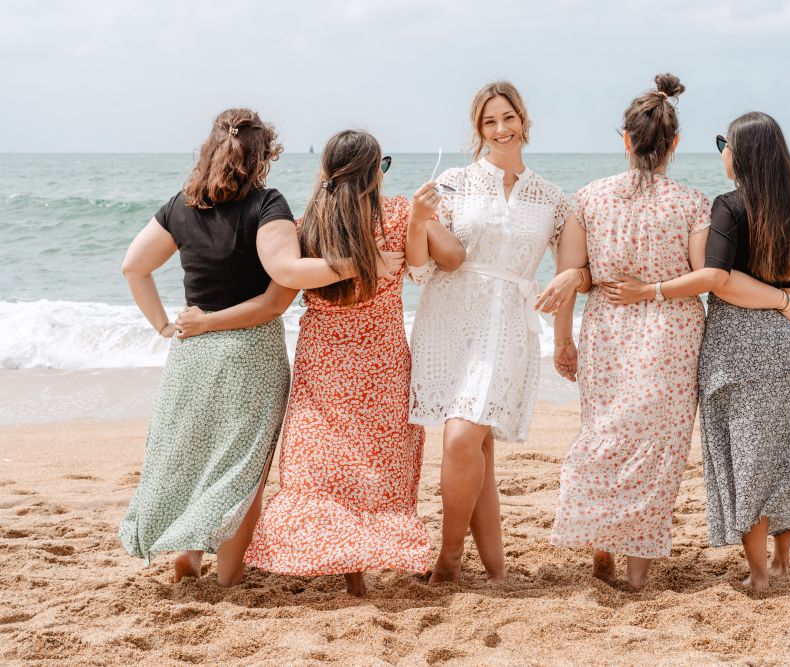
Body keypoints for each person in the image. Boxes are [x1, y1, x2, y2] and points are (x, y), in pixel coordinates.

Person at [119, 109, 404, 587]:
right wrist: (361, 263)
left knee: (192, 457)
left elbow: (133, 267)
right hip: (248, 353)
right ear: (262, 158)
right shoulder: (267, 205)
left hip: (191, 353)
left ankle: (186, 563)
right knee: (243, 472)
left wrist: (166, 325)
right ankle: (230, 579)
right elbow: (283, 284)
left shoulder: (181, 205)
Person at [620, 111, 790, 592]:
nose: (721, 152)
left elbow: (717, 280)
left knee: (747, 463)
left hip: (735, 349)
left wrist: (649, 290)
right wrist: (783, 304)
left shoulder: (727, 206)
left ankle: (757, 577)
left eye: (723, 143)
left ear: (742, 153)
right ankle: (782, 563)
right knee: (786, 456)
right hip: (783, 344)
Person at [240, 130, 464, 596]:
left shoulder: (307, 225)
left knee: (323, 467)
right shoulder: (400, 212)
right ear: (373, 172)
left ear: (327, 172)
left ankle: (349, 570)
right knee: (377, 466)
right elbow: (453, 257)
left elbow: (277, 290)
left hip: (323, 361)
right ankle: (367, 561)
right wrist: (424, 218)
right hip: (382, 359)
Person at [407, 81, 587, 584]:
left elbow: (568, 276)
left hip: (509, 322)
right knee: (475, 443)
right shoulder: (454, 182)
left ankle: (447, 561)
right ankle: (495, 568)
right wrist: (418, 220)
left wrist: (563, 339)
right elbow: (421, 269)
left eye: (507, 118)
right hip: (449, 316)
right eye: (490, 122)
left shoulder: (553, 199)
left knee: (463, 436)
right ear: (478, 130)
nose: (501, 129)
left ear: (524, 121)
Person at [546, 74, 716, 589]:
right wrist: (656, 288)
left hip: (607, 330)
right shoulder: (692, 203)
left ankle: (601, 544)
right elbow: (702, 279)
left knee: (605, 435)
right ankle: (638, 574)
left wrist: (562, 340)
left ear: (625, 139)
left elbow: (569, 277)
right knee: (658, 450)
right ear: (675, 144)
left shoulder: (587, 199)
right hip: (671, 334)